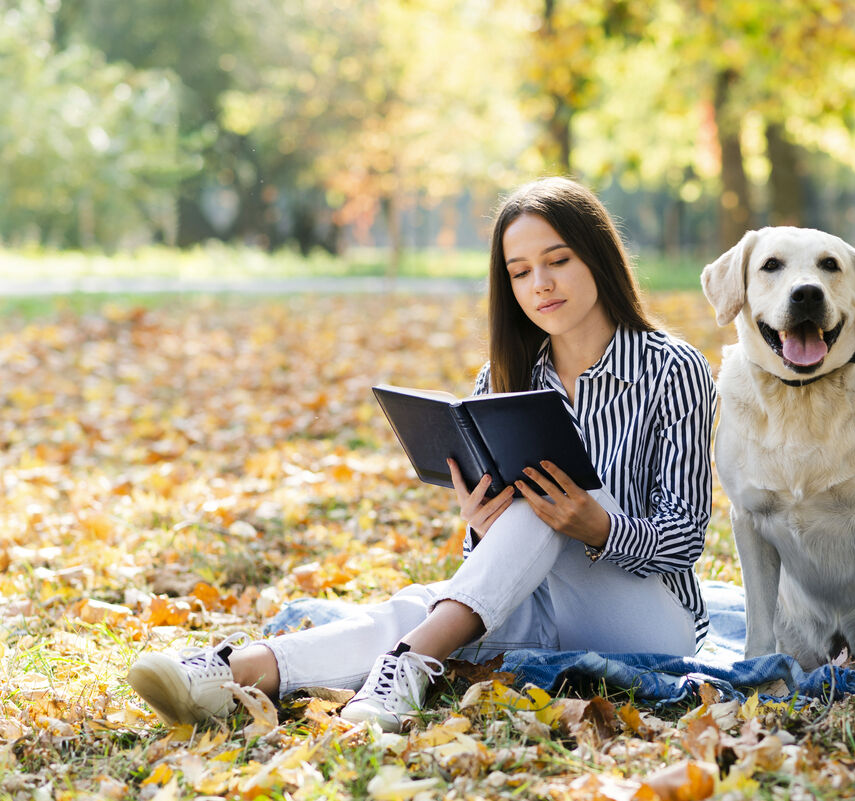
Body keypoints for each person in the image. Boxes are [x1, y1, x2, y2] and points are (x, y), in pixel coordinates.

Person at [126, 176, 717, 732]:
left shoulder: (675, 369)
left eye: (558, 260)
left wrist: (597, 526)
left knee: (558, 490)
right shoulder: (506, 376)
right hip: (544, 609)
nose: (541, 284)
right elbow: (490, 570)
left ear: (598, 257)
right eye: (520, 271)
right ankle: (237, 672)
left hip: (650, 618)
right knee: (420, 605)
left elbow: (688, 536)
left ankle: (412, 662)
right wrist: (481, 528)